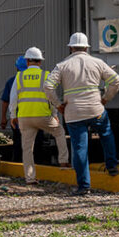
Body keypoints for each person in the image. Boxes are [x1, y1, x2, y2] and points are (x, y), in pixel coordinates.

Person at [44, 32, 119, 196]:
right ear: (86, 47)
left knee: (80, 148)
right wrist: (106, 98)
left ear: (71, 47)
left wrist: (58, 105)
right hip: (96, 109)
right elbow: (116, 80)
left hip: (74, 113)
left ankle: (84, 186)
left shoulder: (63, 65)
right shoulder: (97, 62)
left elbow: (48, 86)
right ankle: (112, 165)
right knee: (106, 134)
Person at [9, 47, 69, 184]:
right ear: (40, 62)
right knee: (59, 132)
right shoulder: (46, 75)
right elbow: (51, 96)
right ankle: (64, 162)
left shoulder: (19, 77)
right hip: (43, 116)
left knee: (27, 148)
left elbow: (13, 98)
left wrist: (13, 116)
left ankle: (30, 178)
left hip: (24, 117)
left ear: (27, 61)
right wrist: (54, 113)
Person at [0, 56, 28, 162]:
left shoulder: (12, 81)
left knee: (18, 142)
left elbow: (6, 101)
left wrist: (4, 118)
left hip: (17, 118)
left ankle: (18, 162)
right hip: (34, 116)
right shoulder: (36, 79)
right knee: (35, 143)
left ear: (16, 68)